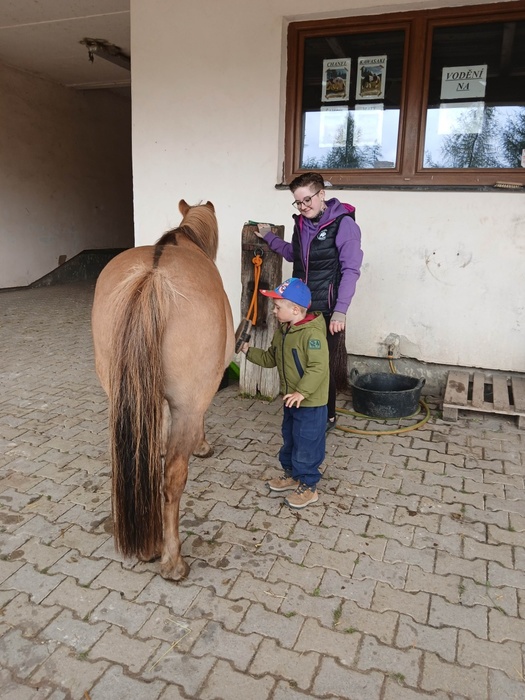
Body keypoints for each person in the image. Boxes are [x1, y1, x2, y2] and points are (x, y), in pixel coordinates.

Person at [255, 172, 363, 432]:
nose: (303, 207)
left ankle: (327, 417)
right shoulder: (301, 224)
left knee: (322, 366)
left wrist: (340, 311)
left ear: (321, 194)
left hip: (327, 310)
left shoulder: (344, 224)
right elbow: (295, 254)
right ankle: (302, 410)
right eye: (298, 202)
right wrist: (270, 237)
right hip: (299, 308)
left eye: (307, 200)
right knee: (299, 362)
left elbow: (351, 270)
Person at [241, 277, 329, 509]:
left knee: (307, 443)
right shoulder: (283, 331)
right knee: (290, 437)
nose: (274, 311)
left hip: (310, 402)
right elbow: (271, 358)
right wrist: (248, 351)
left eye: (278, 307)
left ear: (295, 310)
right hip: (292, 400)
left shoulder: (312, 335)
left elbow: (318, 367)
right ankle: (292, 475)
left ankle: (308, 486)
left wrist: (302, 392)